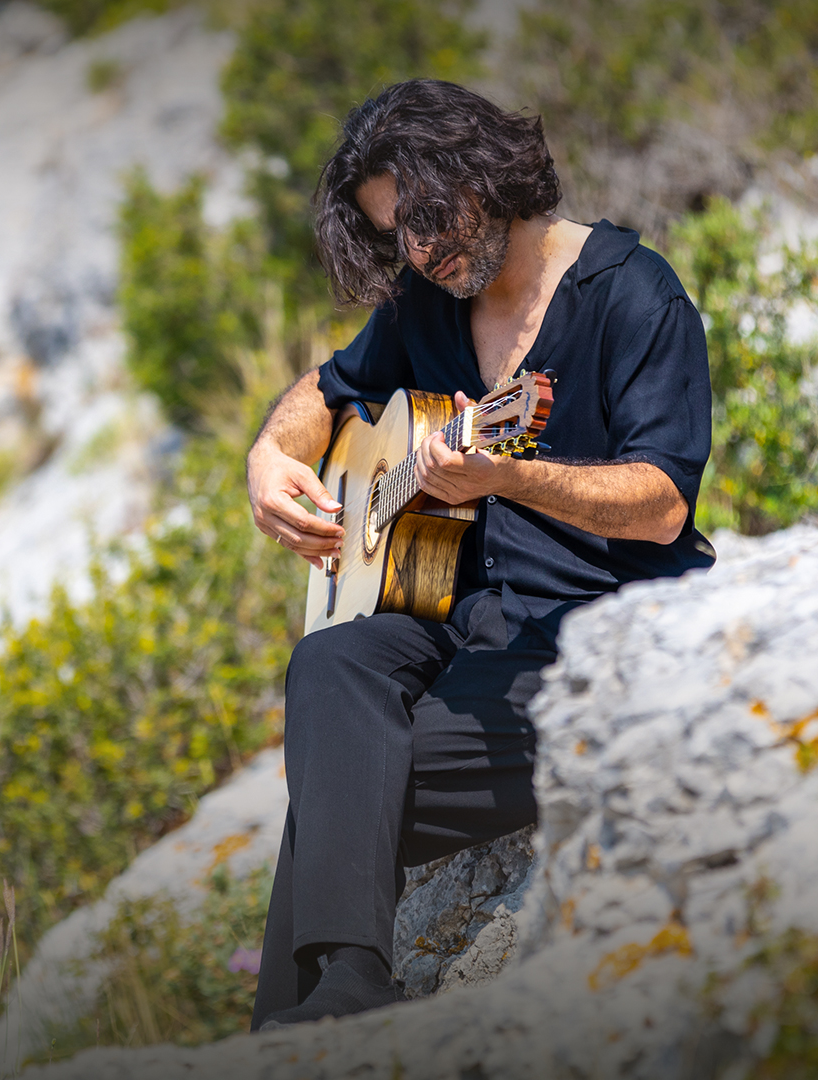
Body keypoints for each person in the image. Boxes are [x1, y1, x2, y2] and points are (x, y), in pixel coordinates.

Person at [245, 79, 715, 1030]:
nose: (419, 250)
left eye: (425, 216)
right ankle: (328, 1006)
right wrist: (270, 453)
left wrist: (508, 478)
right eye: (394, 236)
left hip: (602, 645)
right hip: (471, 632)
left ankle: (316, 1012)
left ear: (481, 167)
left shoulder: (632, 293)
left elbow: (663, 505)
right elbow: (330, 388)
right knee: (329, 661)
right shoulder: (428, 304)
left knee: (340, 789)